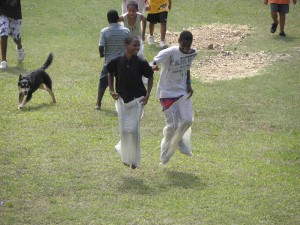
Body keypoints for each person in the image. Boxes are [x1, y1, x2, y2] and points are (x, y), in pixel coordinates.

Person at [151, 31, 198, 164]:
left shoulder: (193, 53)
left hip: (182, 91)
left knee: (188, 120)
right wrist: (153, 66)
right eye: (183, 45)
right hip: (166, 93)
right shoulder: (169, 52)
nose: (185, 48)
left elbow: (187, 67)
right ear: (178, 40)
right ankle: (165, 154)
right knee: (173, 125)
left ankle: (178, 140)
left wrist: (189, 84)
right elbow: (155, 61)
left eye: (188, 46)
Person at [107, 36, 154, 169]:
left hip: (137, 100)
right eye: (134, 45)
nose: (137, 48)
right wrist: (111, 90)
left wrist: (148, 94)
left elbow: (150, 76)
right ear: (126, 45)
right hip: (122, 100)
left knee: (133, 130)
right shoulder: (117, 61)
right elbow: (110, 72)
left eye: (138, 46)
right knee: (123, 130)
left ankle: (134, 160)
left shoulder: (141, 62)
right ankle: (125, 157)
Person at [95, 9, 130, 110]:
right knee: (121, 83)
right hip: (122, 62)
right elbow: (129, 45)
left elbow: (101, 46)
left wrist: (102, 54)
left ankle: (98, 103)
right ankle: (123, 104)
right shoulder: (126, 30)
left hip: (109, 62)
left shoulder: (104, 31)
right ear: (118, 18)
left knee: (103, 82)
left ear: (108, 19)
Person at [0, 0, 25, 70]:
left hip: (15, 13)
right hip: (2, 11)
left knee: (16, 36)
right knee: (3, 32)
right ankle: (3, 61)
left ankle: (19, 47)